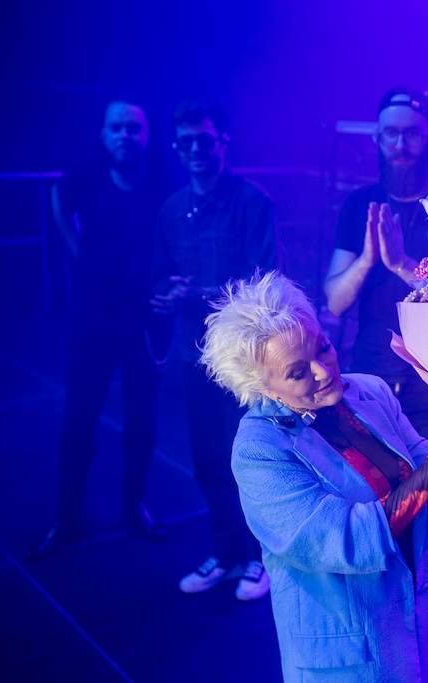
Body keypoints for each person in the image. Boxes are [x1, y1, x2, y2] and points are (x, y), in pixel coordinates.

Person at [199, 270, 428, 683]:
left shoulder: (370, 391)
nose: (323, 370)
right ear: (264, 387)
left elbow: (421, 464)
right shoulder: (259, 449)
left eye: (323, 347)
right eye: (298, 372)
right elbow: (344, 538)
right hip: (349, 660)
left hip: (420, 633)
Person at [323, 87, 428, 645]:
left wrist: (400, 265)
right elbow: (335, 301)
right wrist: (369, 260)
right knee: (373, 503)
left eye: (411, 133)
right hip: (368, 383)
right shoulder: (359, 205)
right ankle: (385, 638)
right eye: (390, 133)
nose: (401, 143)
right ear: (377, 138)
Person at [29, 99, 176, 558]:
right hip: (92, 319)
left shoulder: (164, 180)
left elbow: (182, 231)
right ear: (103, 134)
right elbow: (59, 203)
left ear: (147, 135)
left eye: (134, 128)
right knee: (79, 417)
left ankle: (133, 506)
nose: (125, 135)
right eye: (116, 128)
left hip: (146, 320)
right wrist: (80, 253)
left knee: (142, 417)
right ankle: (67, 517)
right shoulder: (86, 175)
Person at [152, 99, 279, 600]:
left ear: (222, 142)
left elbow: (264, 284)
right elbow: (161, 272)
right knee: (208, 462)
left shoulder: (252, 203)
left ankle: (260, 559)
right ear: (176, 147)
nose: (195, 149)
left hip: (244, 362)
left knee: (251, 461)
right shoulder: (170, 209)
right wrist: (166, 293)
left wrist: (196, 295)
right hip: (194, 357)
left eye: (204, 140)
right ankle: (226, 553)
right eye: (185, 142)